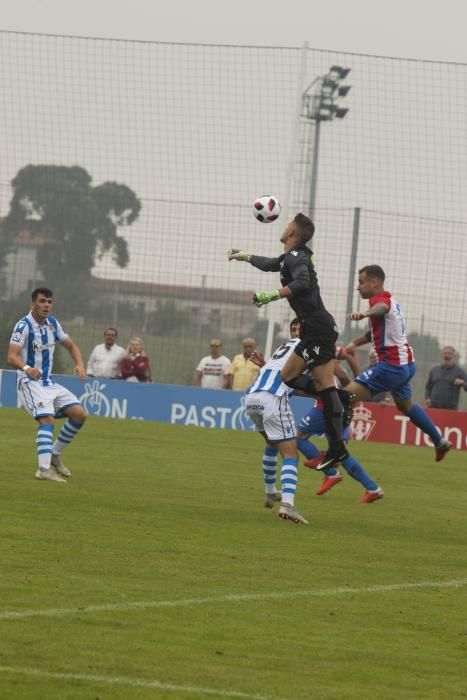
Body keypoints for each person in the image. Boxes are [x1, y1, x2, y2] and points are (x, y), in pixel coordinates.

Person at [228, 212, 349, 471]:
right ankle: (338, 400)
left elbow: (303, 283)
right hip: (313, 328)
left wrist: (270, 295)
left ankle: (337, 446)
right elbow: (271, 263)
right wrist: (245, 256)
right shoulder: (291, 257)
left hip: (318, 328)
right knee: (289, 377)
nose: (283, 228)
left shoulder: (298, 256)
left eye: (287, 225)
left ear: (293, 232)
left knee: (324, 385)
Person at [344, 264, 451, 461]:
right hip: (406, 365)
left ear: (374, 283)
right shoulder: (392, 300)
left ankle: (337, 450)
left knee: (343, 398)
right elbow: (375, 331)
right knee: (406, 407)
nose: (358, 287)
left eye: (361, 282)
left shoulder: (380, 301)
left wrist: (365, 314)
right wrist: (355, 343)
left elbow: (380, 308)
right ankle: (439, 441)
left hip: (390, 367)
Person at [7, 287, 87, 482]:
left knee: (79, 414)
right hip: (29, 382)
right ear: (33, 304)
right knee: (47, 421)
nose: (46, 305)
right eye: (42, 301)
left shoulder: (52, 324)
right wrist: (27, 368)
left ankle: (54, 454)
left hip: (48, 383)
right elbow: (11, 356)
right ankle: (43, 470)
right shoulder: (23, 325)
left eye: (49, 302)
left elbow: (71, 346)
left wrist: (79, 364)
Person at [245, 328, 308, 525]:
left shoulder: (284, 346)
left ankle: (270, 491)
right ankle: (287, 506)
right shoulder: (309, 347)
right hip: (273, 399)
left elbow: (277, 371)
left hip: (252, 398)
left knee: (272, 444)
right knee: (291, 454)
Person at [425, 346, 467, 410]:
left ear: (454, 356)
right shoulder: (434, 370)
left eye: (450, 354)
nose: (447, 355)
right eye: (445, 353)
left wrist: (463, 383)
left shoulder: (460, 372)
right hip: (433, 408)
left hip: (450, 410)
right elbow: (428, 387)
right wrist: (427, 398)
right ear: (442, 355)